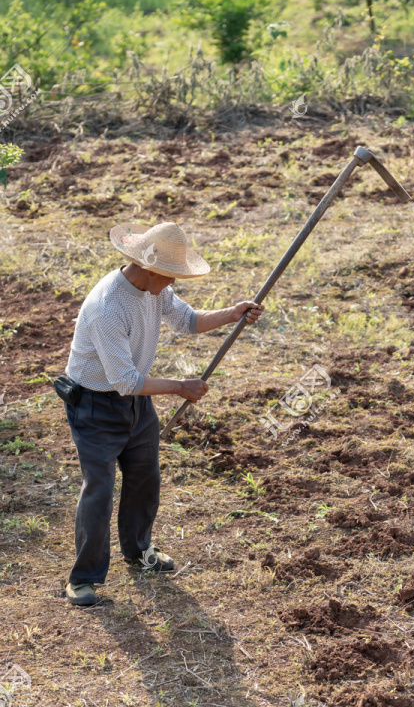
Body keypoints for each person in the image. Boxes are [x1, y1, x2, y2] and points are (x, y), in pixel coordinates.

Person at [60, 221, 263, 607]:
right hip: (94, 405)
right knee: (99, 489)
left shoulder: (155, 289)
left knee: (144, 478)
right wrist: (180, 386)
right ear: (149, 268)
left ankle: (138, 552)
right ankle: (82, 578)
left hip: (136, 404)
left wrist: (232, 313)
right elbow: (124, 380)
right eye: (169, 276)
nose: (172, 284)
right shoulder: (108, 306)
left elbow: (188, 322)